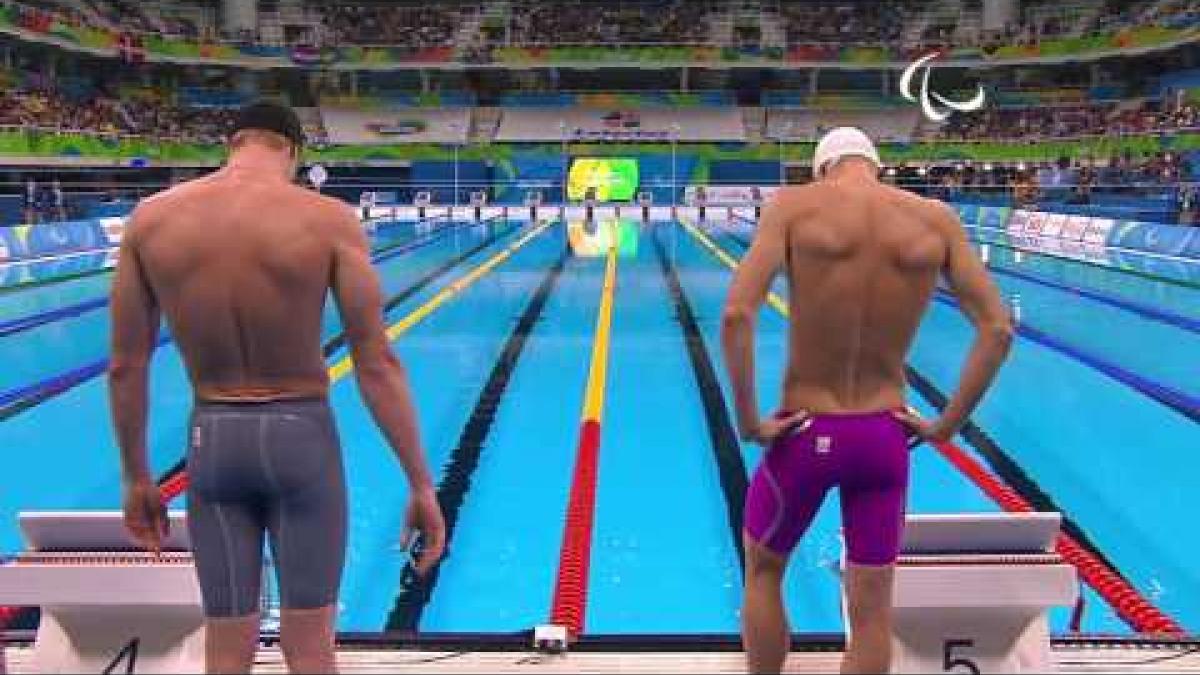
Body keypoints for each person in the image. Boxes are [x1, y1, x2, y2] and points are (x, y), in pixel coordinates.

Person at [109, 101, 446, 674]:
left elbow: (125, 365)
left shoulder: (151, 219)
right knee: (310, 648)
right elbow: (377, 362)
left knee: (226, 648)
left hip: (211, 444)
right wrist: (420, 482)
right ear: (293, 151)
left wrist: (137, 476)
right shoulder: (329, 220)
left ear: (233, 143)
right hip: (301, 438)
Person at [721, 127, 1013, 674]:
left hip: (805, 430)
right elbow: (996, 330)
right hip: (883, 436)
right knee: (873, 608)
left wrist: (749, 421)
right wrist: (947, 424)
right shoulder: (936, 221)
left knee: (763, 571)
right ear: (875, 163)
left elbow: (737, 315)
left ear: (821, 166)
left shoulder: (794, 206)